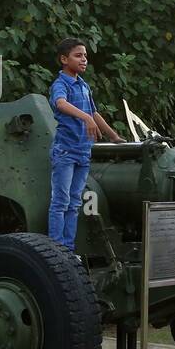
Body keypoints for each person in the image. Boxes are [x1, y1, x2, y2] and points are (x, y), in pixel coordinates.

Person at [48, 37, 123, 255]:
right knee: (60, 202)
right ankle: (56, 251)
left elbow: (94, 113)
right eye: (78, 55)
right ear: (64, 59)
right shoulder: (60, 84)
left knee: (74, 203)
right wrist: (86, 119)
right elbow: (61, 104)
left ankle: (68, 251)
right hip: (65, 151)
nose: (84, 60)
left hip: (83, 151)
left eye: (85, 56)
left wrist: (114, 136)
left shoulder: (83, 85)